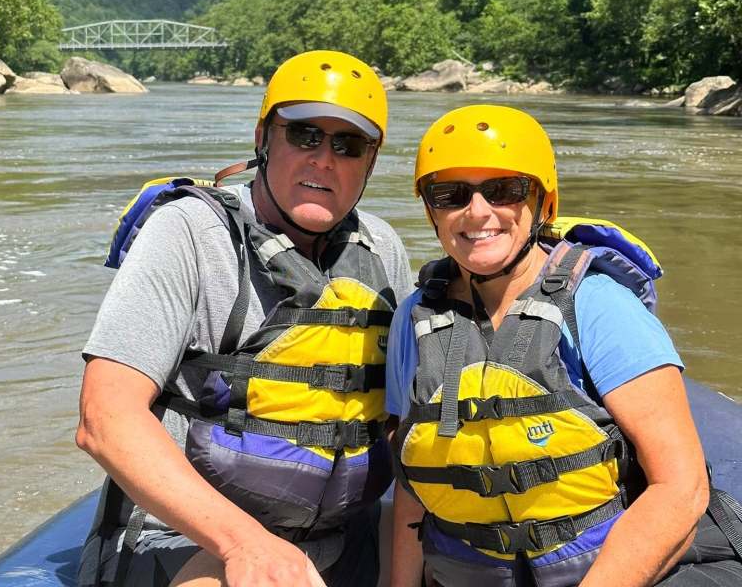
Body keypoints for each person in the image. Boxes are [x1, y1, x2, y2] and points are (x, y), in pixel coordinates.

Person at [76, 50, 414, 587]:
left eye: (348, 145)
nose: (324, 160)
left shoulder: (381, 249)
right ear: (264, 139)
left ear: (369, 162)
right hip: (190, 540)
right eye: (304, 134)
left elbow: (398, 417)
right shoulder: (189, 232)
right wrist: (245, 545)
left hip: (338, 536)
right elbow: (105, 417)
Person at [386, 104, 742, 587]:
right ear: (431, 210)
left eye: (505, 190)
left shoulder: (598, 305)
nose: (478, 212)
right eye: (450, 194)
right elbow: (414, 485)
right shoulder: (414, 318)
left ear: (543, 202)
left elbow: (681, 488)